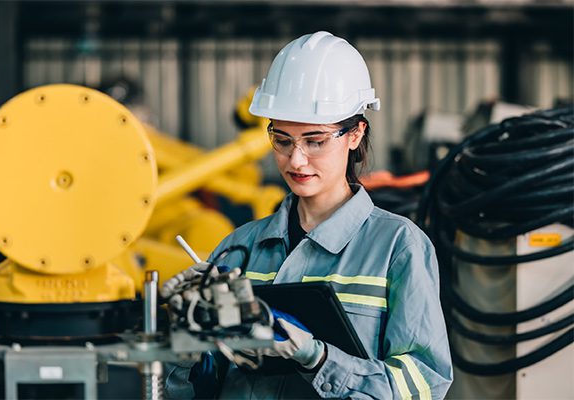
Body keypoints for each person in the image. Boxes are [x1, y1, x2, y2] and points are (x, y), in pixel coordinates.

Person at [165, 31, 453, 399]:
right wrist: (187, 340)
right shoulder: (240, 246)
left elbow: (424, 385)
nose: (296, 160)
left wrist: (320, 361)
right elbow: (193, 389)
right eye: (282, 141)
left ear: (354, 134)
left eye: (315, 141)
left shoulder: (397, 246)